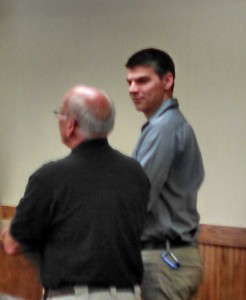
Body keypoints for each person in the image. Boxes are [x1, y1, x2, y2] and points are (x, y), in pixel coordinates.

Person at [0, 85, 150, 300]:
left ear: (70, 125)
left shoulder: (50, 177)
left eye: (59, 115)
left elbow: (14, 244)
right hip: (129, 294)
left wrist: (7, 232)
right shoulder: (136, 173)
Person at [125, 48, 205, 300]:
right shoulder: (166, 126)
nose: (132, 89)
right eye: (129, 82)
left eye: (142, 80)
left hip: (164, 258)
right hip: (168, 256)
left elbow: (137, 197)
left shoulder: (165, 128)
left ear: (167, 80)